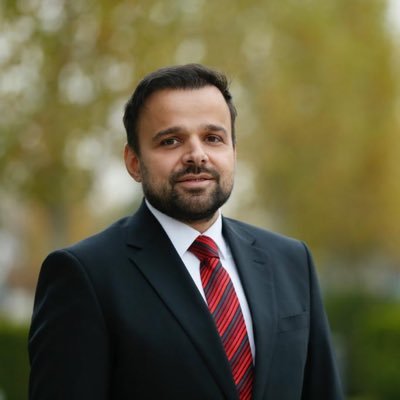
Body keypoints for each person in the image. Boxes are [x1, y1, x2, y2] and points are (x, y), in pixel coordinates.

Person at [28, 64, 343, 400]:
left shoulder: (291, 261)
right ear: (134, 162)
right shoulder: (84, 275)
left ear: (233, 152)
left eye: (213, 138)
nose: (196, 155)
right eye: (171, 141)